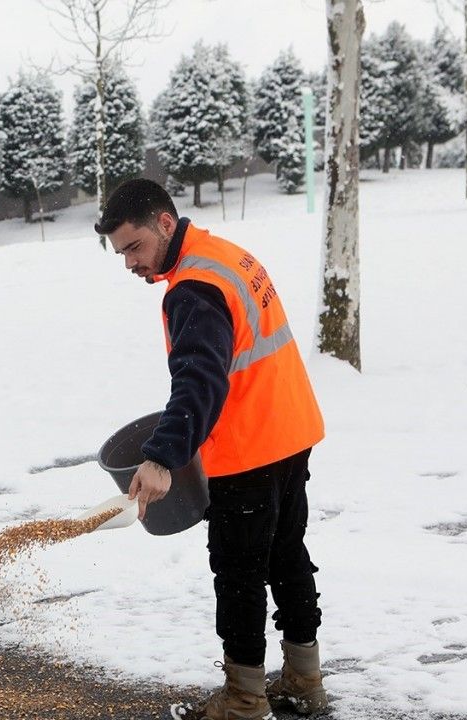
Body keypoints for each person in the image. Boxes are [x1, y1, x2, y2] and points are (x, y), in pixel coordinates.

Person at [95, 179, 328, 720]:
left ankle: (245, 700)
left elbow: (200, 380)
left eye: (135, 247)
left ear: (165, 223)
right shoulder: (224, 256)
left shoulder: (193, 288)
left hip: (248, 450)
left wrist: (162, 457)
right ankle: (304, 679)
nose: (130, 263)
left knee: (239, 572)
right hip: (289, 430)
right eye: (121, 253)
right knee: (286, 557)